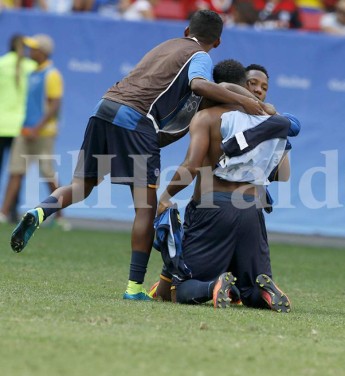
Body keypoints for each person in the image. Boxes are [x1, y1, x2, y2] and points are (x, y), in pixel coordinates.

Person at [9, 10, 269, 301]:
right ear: (217, 42)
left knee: (82, 185)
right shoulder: (201, 56)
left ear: (185, 30)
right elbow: (198, 84)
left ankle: (40, 211)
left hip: (104, 108)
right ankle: (134, 288)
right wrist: (245, 100)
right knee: (145, 210)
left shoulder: (165, 46)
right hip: (136, 119)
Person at [155, 60, 293, 311]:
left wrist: (165, 195)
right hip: (252, 212)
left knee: (181, 288)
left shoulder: (206, 118)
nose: (259, 90)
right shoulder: (266, 122)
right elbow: (282, 175)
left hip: (212, 208)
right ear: (243, 86)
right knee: (250, 289)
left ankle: (214, 286)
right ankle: (265, 292)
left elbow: (191, 166)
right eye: (253, 85)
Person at [1, 34, 68, 227]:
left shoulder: (52, 75)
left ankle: (61, 217)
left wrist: (37, 128)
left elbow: (55, 105)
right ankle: (3, 213)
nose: (30, 51)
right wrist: (27, 127)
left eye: (34, 48)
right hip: (25, 131)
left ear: (43, 52)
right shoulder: (32, 73)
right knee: (16, 171)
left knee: (48, 174)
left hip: (43, 134)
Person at [0, 35, 37, 224]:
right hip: (20, 126)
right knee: (17, 172)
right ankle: (11, 211)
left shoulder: (2, 63)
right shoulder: (31, 66)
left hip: (1, 123)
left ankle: (4, 212)